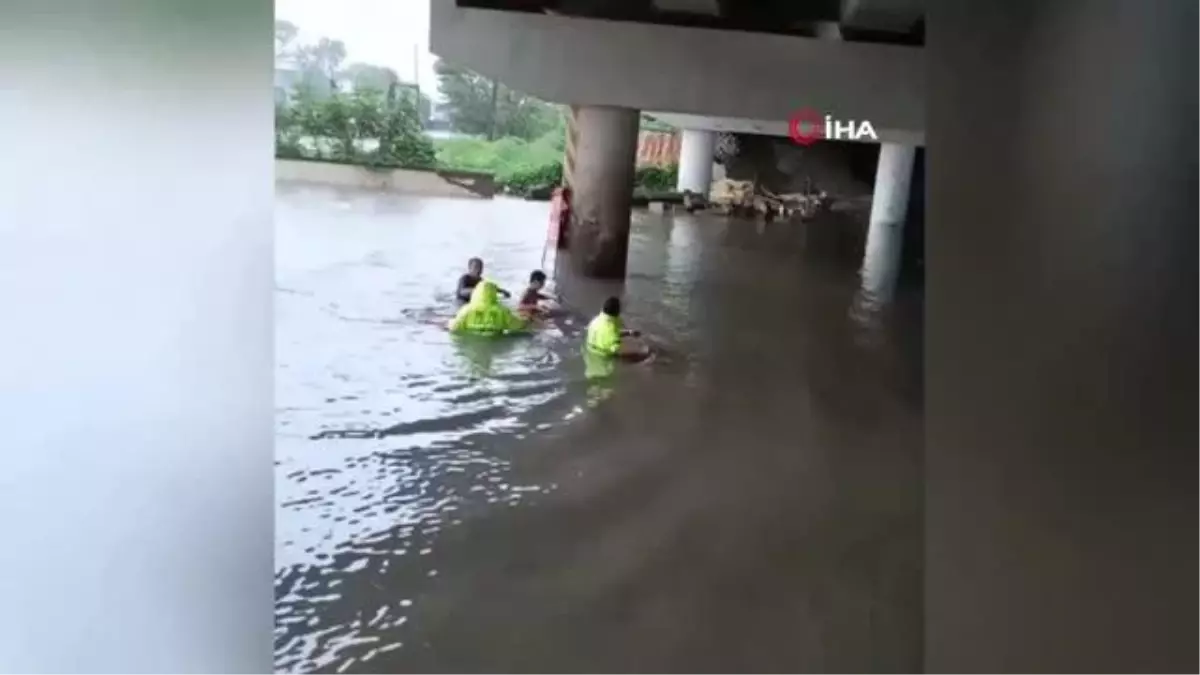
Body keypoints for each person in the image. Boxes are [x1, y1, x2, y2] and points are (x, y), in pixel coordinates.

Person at [448, 280, 529, 336]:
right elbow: (518, 325)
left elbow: (454, 326)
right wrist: (526, 320)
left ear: (476, 292)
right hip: (495, 342)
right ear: (494, 293)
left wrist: (449, 322)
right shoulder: (502, 311)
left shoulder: (466, 310)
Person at [585, 296, 649, 360]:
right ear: (617, 312)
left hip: (590, 350)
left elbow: (606, 335)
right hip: (603, 358)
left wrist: (629, 332)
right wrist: (641, 355)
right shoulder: (611, 330)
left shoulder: (595, 320)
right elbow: (616, 351)